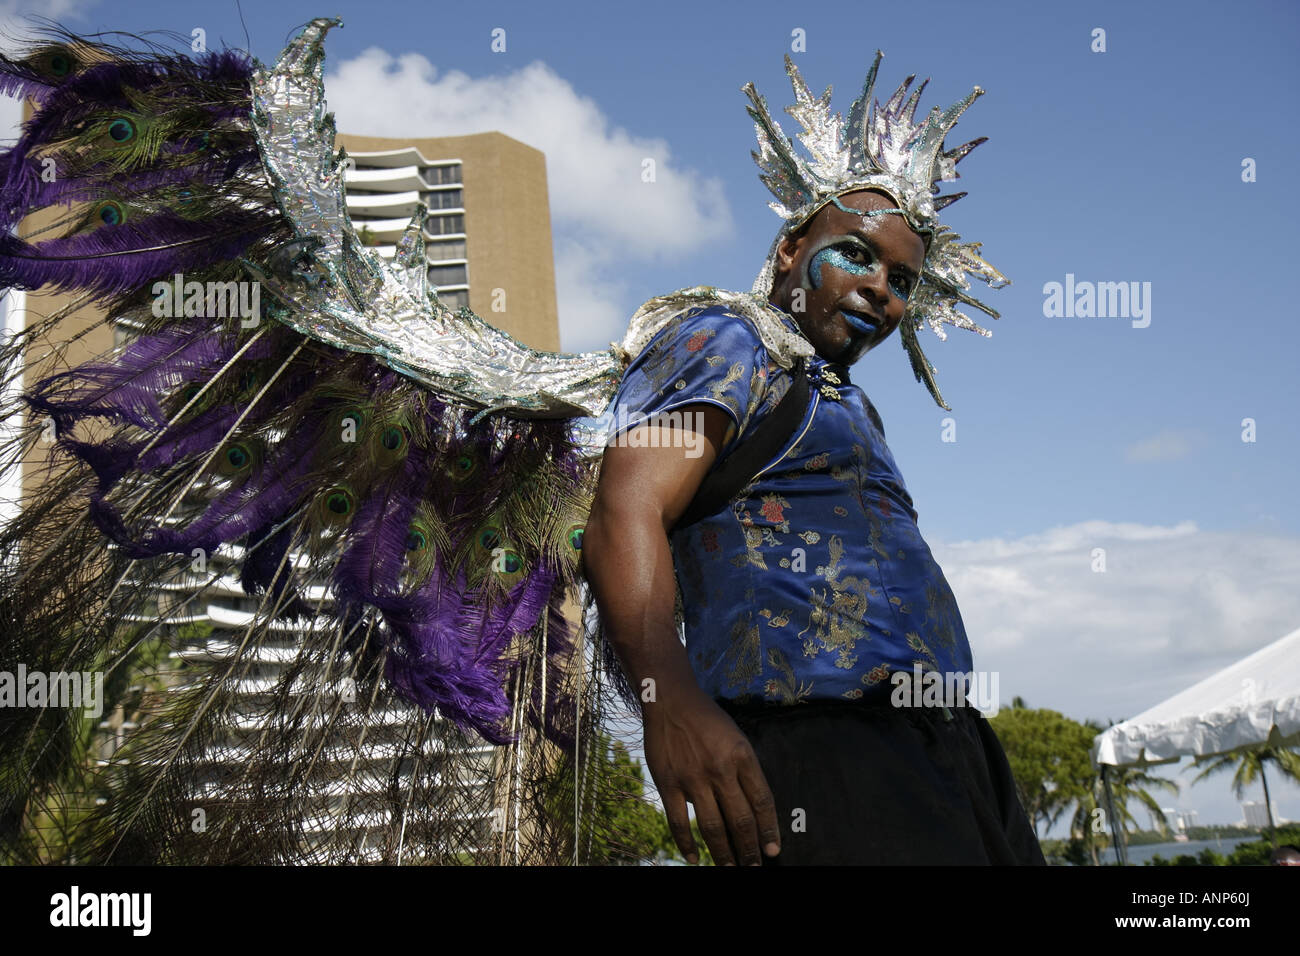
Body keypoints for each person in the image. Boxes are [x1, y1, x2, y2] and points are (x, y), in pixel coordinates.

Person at [582, 56, 1044, 866]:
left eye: (901, 280)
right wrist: (672, 705)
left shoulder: (847, 400)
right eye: (858, 256)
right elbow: (626, 509)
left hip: (953, 749)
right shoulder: (724, 340)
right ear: (793, 246)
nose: (881, 290)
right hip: (823, 756)